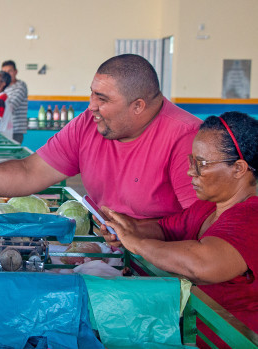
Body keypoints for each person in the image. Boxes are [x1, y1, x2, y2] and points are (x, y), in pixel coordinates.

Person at [0, 54, 201, 220]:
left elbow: (205, 225)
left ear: (138, 106)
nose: (91, 106)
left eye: (103, 99)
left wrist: (145, 232)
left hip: (165, 277)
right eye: (92, 93)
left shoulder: (188, 139)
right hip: (110, 255)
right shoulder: (89, 124)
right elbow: (29, 172)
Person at [100, 112, 258, 349]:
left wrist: (137, 243)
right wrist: (126, 227)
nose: (190, 172)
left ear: (238, 168)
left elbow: (201, 264)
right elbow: (164, 230)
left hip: (228, 340)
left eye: (201, 164)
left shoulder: (251, 217)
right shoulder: (207, 207)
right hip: (192, 334)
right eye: (191, 161)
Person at [1, 60, 28, 143]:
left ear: (15, 72)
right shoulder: (4, 88)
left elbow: (11, 107)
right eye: (4, 72)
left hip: (15, 131)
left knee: (12, 155)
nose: (7, 74)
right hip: (4, 129)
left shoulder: (20, 86)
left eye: (10, 71)